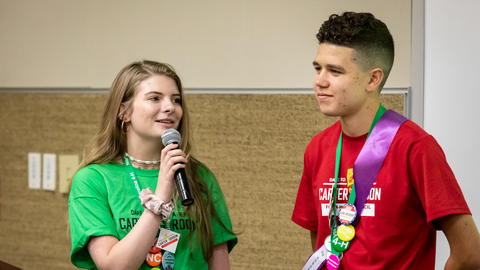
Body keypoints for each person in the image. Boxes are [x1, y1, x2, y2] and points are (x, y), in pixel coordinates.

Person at [292, 12, 480, 269]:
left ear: (373, 79)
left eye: (335, 71)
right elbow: (322, 242)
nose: (319, 81)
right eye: (317, 68)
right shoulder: (318, 148)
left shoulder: (415, 147)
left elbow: (470, 254)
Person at [68, 60, 237, 270]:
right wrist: (160, 200)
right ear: (124, 112)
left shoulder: (199, 176)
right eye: (155, 98)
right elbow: (114, 267)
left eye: (176, 100)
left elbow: (218, 262)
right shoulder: (92, 179)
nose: (169, 108)